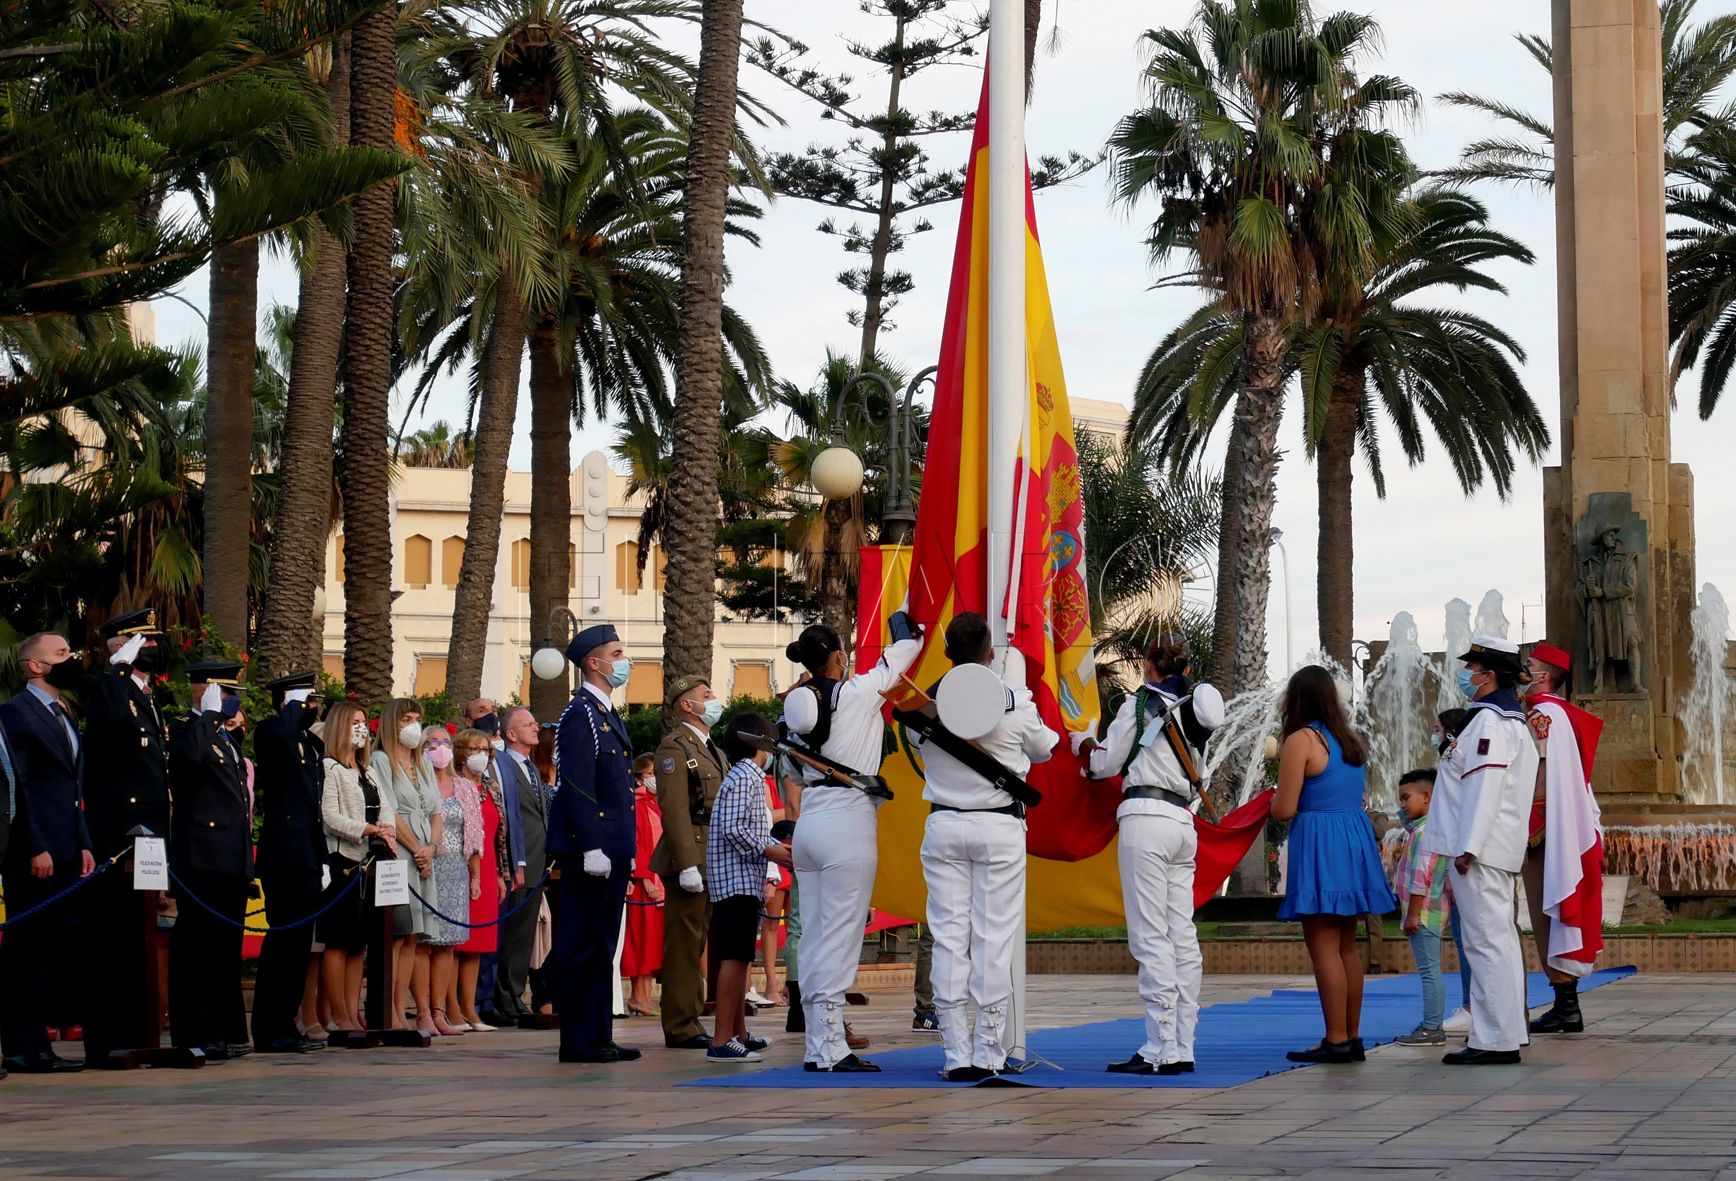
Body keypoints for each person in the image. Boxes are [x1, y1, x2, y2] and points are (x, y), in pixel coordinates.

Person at [1074, 632, 1224, 1076]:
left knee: (1150, 935)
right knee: (1181, 935)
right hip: (1182, 822)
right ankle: (1183, 1043)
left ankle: (1160, 1046)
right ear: (1186, 669)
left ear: (1147, 665)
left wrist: (1083, 745)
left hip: (1145, 819)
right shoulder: (1196, 712)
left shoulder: (1138, 704)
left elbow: (1104, 763)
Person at [916, 613, 1057, 1081]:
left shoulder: (926, 706)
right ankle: (989, 1052)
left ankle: (955, 1053)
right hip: (998, 827)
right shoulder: (1014, 702)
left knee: (948, 938)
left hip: (944, 824)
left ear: (947, 653)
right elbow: (1044, 748)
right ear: (991, 653)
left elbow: (917, 741)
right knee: (993, 939)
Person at [783, 617, 923, 1073]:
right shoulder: (857, 692)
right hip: (847, 820)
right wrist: (906, 619)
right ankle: (831, 1046)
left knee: (813, 936)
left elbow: (794, 770)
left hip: (810, 822)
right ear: (839, 657)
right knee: (840, 936)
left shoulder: (798, 708)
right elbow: (904, 651)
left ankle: (817, 1044)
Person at [1272, 664, 1397, 1066]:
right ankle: (1352, 1035)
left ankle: (1336, 1038)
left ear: (1298, 699)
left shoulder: (1301, 740)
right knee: (1346, 946)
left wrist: (1270, 800)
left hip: (1321, 841)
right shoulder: (1349, 740)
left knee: (1322, 944)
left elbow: (1284, 809)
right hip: (1352, 837)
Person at [1423, 636, 1538, 1066]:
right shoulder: (1505, 720)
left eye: (1472, 669)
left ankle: (1494, 1040)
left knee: (1485, 944)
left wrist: (1468, 846)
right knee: (1498, 942)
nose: (1466, 675)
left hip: (1480, 850)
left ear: (1488, 675)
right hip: (1491, 847)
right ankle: (1506, 1032)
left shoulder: (1489, 722)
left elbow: (1484, 788)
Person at [0, 632, 95, 1074]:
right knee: (27, 949)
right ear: (35, 665)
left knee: (50, 949)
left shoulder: (65, 713)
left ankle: (40, 1044)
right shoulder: (16, 714)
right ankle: (22, 1046)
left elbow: (71, 788)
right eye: (61, 654)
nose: (70, 659)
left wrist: (84, 843)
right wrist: (34, 845)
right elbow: (18, 787)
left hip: (67, 847)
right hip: (34, 852)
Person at [78, 610, 170, 1067]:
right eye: (142, 642)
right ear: (121, 646)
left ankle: (138, 1031)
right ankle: (107, 1039)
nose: (151, 648)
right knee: (112, 940)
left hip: (147, 840)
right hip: (117, 836)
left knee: (140, 938)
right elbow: (110, 723)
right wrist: (116, 670)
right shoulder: (107, 688)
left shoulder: (146, 697)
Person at [547, 623, 640, 1063]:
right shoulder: (580, 714)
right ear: (594, 663)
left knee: (602, 945)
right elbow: (577, 784)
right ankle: (578, 1039)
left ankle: (600, 1034)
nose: (624, 661)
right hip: (592, 850)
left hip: (612, 848)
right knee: (581, 944)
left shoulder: (605, 713)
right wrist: (590, 845)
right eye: (616, 654)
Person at [167, 660, 253, 1060]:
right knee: (197, 949)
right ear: (206, 692)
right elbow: (187, 762)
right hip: (201, 857)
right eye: (225, 692)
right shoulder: (186, 728)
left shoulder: (224, 738)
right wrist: (207, 716)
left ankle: (223, 1029)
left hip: (230, 860)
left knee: (223, 950)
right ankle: (196, 1032)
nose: (231, 701)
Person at [1522, 642, 1605, 1034]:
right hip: (1555, 824)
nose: (1522, 670)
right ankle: (1565, 1006)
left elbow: (1540, 771)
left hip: (1544, 829)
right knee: (1549, 911)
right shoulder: (1557, 712)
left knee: (1547, 913)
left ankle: (1566, 1006)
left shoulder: (1543, 713)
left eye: (1529, 664)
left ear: (1544, 675)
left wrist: (1526, 821)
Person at [705, 712, 792, 1062]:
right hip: (735, 881)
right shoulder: (745, 777)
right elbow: (734, 828)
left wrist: (776, 849)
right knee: (734, 959)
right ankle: (721, 1039)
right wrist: (771, 851)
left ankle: (738, 1033)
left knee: (741, 959)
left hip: (744, 879)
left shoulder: (746, 776)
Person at [251, 673, 329, 1054]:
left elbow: (314, 807)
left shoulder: (309, 743)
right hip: (284, 855)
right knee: (282, 943)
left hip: (308, 855)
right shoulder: (271, 732)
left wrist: (322, 857)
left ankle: (287, 1022)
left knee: (299, 948)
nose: (311, 707)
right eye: (305, 701)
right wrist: (290, 709)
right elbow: (276, 742)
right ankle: (269, 1027)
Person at [652, 675, 727, 1051]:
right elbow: (675, 809)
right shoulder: (675, 747)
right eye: (706, 695)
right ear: (686, 705)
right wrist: (686, 864)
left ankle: (693, 1018)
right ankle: (681, 1025)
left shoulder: (711, 747)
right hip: (692, 857)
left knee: (698, 942)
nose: (714, 700)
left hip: (713, 856)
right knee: (684, 946)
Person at [317, 700, 396, 1033]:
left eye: (364, 722)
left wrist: (387, 830)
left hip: (370, 864)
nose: (362, 729)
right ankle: (338, 1015)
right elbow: (330, 816)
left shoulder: (367, 770)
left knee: (358, 944)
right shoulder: (329, 767)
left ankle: (352, 1013)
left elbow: (386, 807)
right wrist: (365, 829)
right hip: (342, 862)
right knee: (338, 941)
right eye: (354, 723)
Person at [371, 698, 441, 1036]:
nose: (413, 725)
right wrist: (416, 850)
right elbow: (389, 809)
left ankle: (402, 1009)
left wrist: (431, 849)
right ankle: (391, 1012)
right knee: (397, 934)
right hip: (400, 853)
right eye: (406, 719)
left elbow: (436, 812)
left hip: (425, 854)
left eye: (416, 718)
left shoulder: (423, 762)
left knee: (414, 936)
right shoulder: (381, 760)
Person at [490, 705, 548, 1026]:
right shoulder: (501, 765)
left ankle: (515, 995)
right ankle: (501, 998)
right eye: (528, 724)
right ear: (511, 733)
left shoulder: (532, 768)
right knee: (509, 932)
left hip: (538, 861)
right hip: (516, 862)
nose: (536, 728)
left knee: (524, 934)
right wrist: (512, 862)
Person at [421, 726, 479, 1036]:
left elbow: (474, 834)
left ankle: (440, 1011)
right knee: (422, 943)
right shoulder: (417, 782)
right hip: (426, 866)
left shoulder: (464, 787)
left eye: (445, 742)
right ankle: (423, 1012)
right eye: (433, 742)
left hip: (456, 869)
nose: (440, 748)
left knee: (448, 945)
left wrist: (475, 875)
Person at [451, 728, 507, 1031]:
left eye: (485, 750)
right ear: (461, 753)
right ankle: (451, 1008)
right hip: (460, 865)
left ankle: (470, 1009)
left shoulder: (491, 787)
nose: (481, 755)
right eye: (474, 749)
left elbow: (500, 835)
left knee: (478, 943)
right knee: (455, 942)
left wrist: (499, 873)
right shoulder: (454, 785)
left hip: (487, 866)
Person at [1391, 769, 1450, 1048]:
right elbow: (1407, 821)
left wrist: (1412, 915)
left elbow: (1420, 878)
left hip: (1424, 912)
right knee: (1430, 969)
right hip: (1429, 912)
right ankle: (1431, 1024)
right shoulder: (1426, 828)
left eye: (1406, 798)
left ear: (1427, 796)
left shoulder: (1425, 833)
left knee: (1429, 971)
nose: (1402, 805)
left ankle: (1431, 1027)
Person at [1432, 707, 1475, 1035]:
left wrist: (1463, 854)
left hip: (1465, 858)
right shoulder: (1453, 758)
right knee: (1465, 939)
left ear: (1450, 732)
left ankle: (1473, 1006)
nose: (1433, 735)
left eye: (1437, 729)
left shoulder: (1460, 758)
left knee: (1469, 939)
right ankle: (1474, 1004)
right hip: (1457, 855)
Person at [623, 754, 665, 1017]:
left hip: (659, 883)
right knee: (641, 940)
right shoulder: (636, 805)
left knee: (653, 942)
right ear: (639, 777)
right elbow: (636, 843)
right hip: (644, 884)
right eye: (651, 773)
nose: (655, 778)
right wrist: (645, 877)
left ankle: (646, 996)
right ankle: (638, 996)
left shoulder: (653, 804)